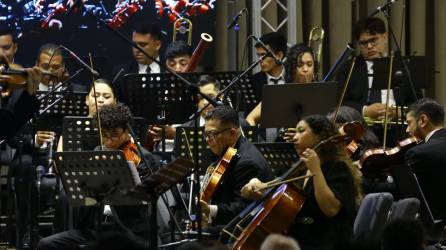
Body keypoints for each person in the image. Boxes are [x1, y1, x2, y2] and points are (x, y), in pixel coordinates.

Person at [37, 103, 164, 250]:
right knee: (46, 244)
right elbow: (85, 196)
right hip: (98, 227)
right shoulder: (98, 151)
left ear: (127, 130)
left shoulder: (145, 159)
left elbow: (140, 201)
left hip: (129, 230)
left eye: (114, 134)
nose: (108, 140)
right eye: (104, 134)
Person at [241, 115, 362, 250]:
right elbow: (274, 188)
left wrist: (316, 169)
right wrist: (257, 186)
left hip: (328, 242)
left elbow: (331, 209)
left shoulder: (337, 168)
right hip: (303, 240)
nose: (294, 136)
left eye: (301, 131)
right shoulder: (301, 169)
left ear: (319, 136)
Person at [199, 105, 273, 227]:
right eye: (205, 134)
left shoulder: (246, 163)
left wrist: (210, 210)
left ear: (232, 133)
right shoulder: (230, 150)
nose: (207, 140)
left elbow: (243, 210)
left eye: (211, 134)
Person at [336, 17, 418, 122]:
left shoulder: (402, 66)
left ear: (385, 37)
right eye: (364, 43)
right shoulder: (349, 68)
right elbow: (340, 102)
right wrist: (365, 110)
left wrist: (399, 112)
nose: (369, 46)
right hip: (362, 127)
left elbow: (418, 102)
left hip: (397, 126)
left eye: (373, 40)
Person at [247, 43, 315, 126]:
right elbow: (250, 118)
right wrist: (255, 138)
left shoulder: (321, 92)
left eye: (309, 65)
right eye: (300, 65)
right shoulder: (279, 92)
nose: (305, 69)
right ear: (292, 68)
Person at [404, 98, 446, 221]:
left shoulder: (418, 153)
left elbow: (407, 190)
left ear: (423, 120)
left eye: (409, 123)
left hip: (436, 229)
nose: (407, 130)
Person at [113, 23, 163, 101]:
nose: (137, 50)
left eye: (142, 44)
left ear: (157, 45)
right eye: (134, 44)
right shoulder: (120, 74)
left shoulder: (171, 68)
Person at [250, 32, 287, 99]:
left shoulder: (294, 77)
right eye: (258, 55)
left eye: (263, 55)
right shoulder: (253, 82)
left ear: (279, 55)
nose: (260, 60)